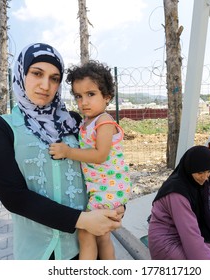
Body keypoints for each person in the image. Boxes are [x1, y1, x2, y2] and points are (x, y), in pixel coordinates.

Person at [0, 43, 124, 260]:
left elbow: (105, 162)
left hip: (84, 247)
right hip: (39, 253)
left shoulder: (74, 122)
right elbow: (13, 197)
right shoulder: (1, 129)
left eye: (54, 78)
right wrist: (83, 220)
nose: (45, 85)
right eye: (37, 73)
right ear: (22, 74)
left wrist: (117, 204)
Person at [49, 61, 131, 260]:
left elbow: (100, 155)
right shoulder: (86, 121)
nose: (83, 102)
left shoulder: (104, 121)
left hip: (108, 188)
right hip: (103, 187)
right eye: (78, 96)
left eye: (91, 94)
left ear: (107, 97)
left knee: (86, 232)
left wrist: (67, 152)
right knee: (102, 236)